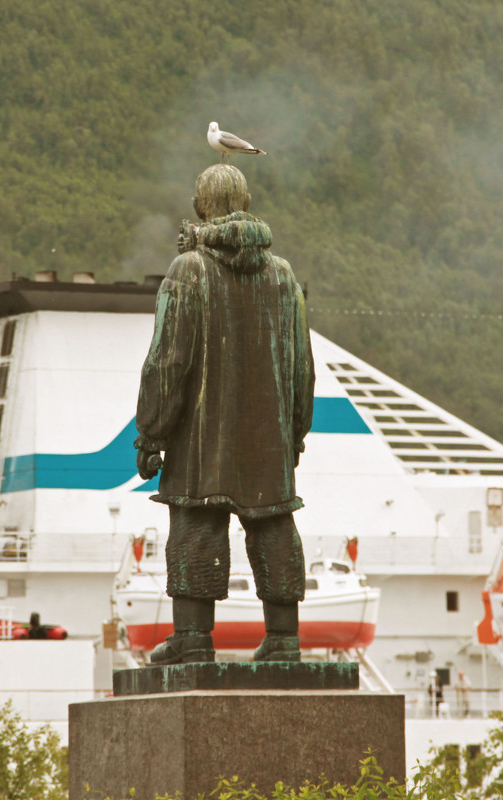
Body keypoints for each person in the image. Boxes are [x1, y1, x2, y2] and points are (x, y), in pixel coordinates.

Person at [134, 164, 315, 664]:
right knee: (274, 524)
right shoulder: (282, 276)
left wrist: (151, 434)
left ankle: (192, 638)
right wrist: (294, 434)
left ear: (199, 207)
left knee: (196, 520)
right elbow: (302, 365)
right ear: (248, 200)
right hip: (268, 437)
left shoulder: (188, 271)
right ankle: (284, 639)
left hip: (201, 435)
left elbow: (167, 361)